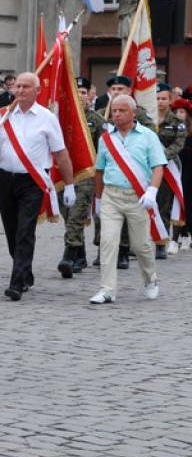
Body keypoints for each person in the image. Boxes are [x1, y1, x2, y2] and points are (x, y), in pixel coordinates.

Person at [0, 72, 76, 300]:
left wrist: (69, 185)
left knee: (25, 230)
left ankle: (16, 283)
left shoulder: (47, 118)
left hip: (32, 181)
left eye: (26, 87)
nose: (20, 90)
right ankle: (25, 272)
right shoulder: (3, 115)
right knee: (11, 230)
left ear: (37, 91)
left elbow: (61, 153)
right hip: (5, 178)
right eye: (18, 86)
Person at [89, 95, 168, 304]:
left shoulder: (148, 136)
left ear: (133, 113)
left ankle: (150, 279)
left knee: (141, 245)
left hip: (138, 197)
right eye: (114, 110)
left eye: (122, 110)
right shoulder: (106, 138)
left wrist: (152, 191)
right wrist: (98, 199)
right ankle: (107, 290)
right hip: (112, 195)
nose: (116, 114)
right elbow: (99, 170)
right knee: (108, 242)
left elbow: (158, 166)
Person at [56, 77, 107, 278]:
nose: (80, 96)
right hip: (63, 173)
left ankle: (68, 256)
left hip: (87, 174)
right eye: (76, 92)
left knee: (76, 215)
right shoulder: (60, 118)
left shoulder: (97, 120)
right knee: (68, 215)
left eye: (84, 92)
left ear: (89, 96)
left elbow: (104, 150)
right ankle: (80, 255)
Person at [152, 83, 186, 258]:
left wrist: (160, 156)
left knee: (163, 204)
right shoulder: (147, 120)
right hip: (147, 167)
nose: (160, 102)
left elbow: (178, 145)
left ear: (170, 99)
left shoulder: (177, 123)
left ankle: (161, 243)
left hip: (167, 167)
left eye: (163, 98)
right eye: (157, 98)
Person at [170, 97, 192, 250]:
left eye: (182, 112)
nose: (179, 114)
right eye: (176, 112)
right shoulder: (171, 130)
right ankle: (178, 236)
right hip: (176, 169)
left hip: (189, 170)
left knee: (188, 201)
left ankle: (187, 233)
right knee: (177, 201)